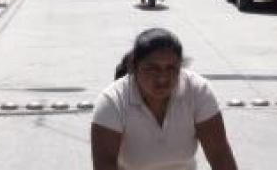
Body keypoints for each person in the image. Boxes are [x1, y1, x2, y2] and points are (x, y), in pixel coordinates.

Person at [92, 28, 238, 170]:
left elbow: (219, 154)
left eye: (171, 68)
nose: (162, 78)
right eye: (152, 68)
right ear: (134, 67)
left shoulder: (198, 91)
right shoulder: (112, 102)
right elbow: (104, 164)